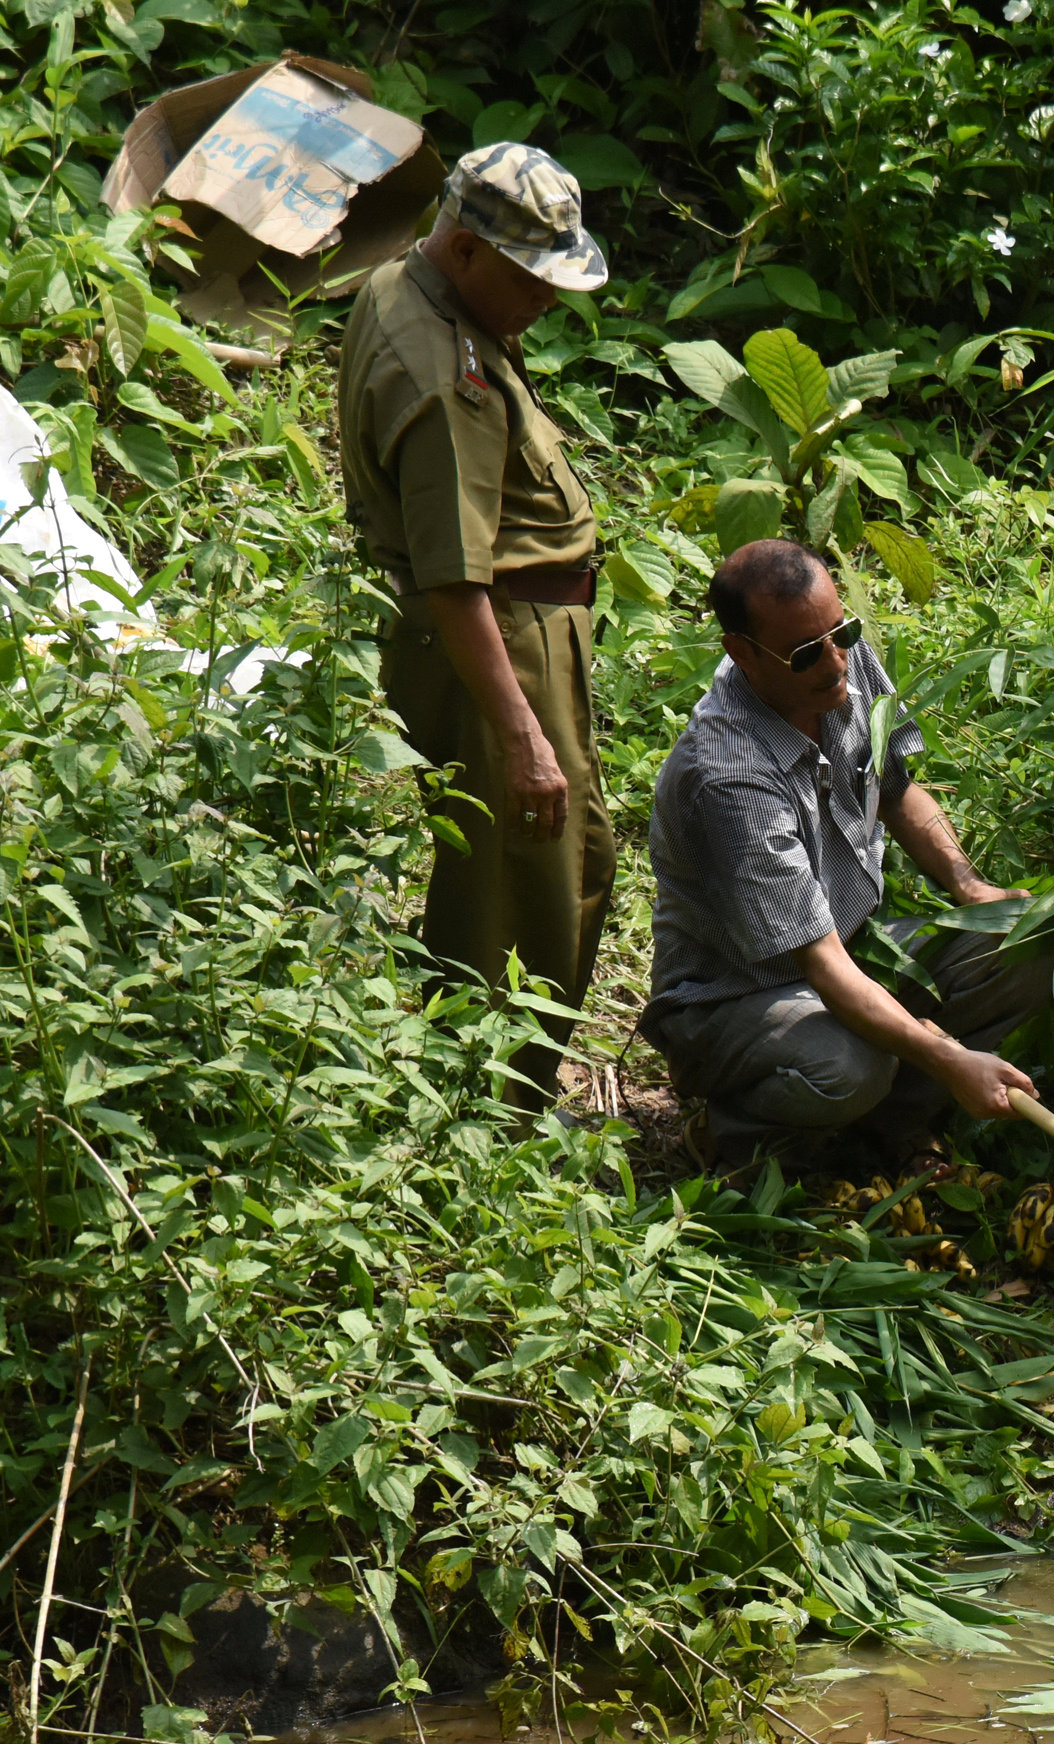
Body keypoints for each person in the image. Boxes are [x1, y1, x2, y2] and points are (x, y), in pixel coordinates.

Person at [335, 143, 613, 1102]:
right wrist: (523, 733)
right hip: (496, 649)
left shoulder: (406, 287)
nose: (548, 299)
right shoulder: (448, 381)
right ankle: (490, 1115)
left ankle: (487, 1099)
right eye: (531, 278)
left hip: (514, 638)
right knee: (525, 890)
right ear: (461, 249)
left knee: (532, 867)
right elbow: (457, 581)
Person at [639, 538, 1050, 1169]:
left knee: (1029, 940)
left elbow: (895, 789)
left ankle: (891, 1126)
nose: (836, 662)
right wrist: (949, 1055)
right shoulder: (726, 777)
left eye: (843, 632)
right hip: (734, 996)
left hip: (846, 947)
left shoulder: (833, 658)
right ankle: (736, 1137)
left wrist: (973, 890)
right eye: (809, 653)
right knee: (851, 1065)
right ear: (743, 654)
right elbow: (823, 967)